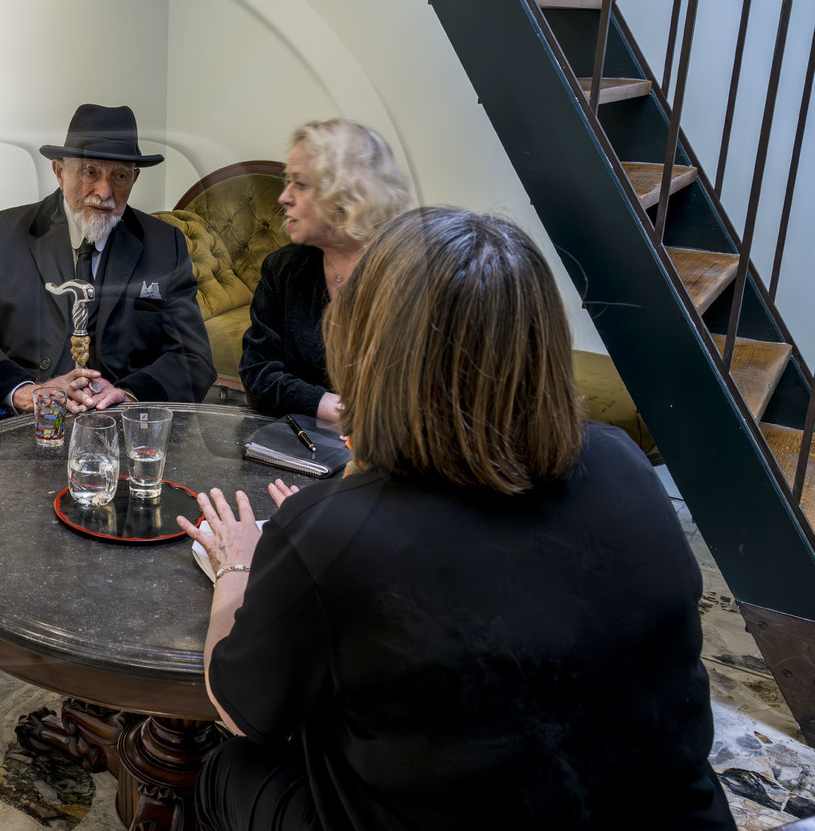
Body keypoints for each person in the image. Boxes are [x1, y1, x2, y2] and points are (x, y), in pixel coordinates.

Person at [181, 207, 731, 830]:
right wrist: (332, 523)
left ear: (369, 347)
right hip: (672, 816)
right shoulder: (624, 462)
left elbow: (237, 708)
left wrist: (240, 566)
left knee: (230, 768)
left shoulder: (332, 535)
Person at [0, 102, 214, 796]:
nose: (103, 191)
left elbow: (193, 360)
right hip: (9, 432)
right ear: (59, 169)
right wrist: (24, 391)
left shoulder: (163, 247)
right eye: (88, 173)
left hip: (116, 448)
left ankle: (110, 683)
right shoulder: (5, 234)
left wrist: (127, 392)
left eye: (119, 176)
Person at [239, 119, 411, 420]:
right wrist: (339, 409)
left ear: (349, 193)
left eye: (301, 184)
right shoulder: (283, 268)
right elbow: (258, 376)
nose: (284, 197)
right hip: (301, 443)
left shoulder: (413, 274)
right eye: (287, 180)